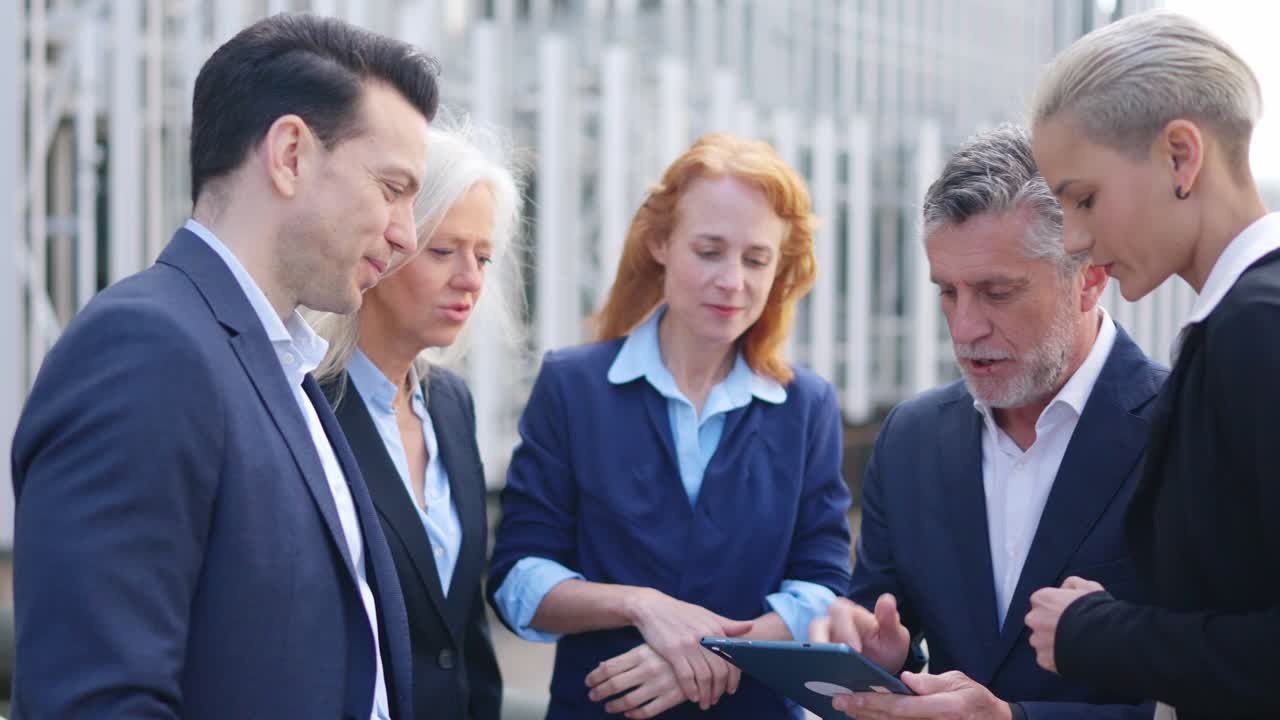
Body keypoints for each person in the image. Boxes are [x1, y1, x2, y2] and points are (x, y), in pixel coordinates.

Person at [10, 13, 438, 719]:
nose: (407, 234)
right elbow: (95, 700)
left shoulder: (284, 367)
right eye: (392, 189)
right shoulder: (146, 350)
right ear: (291, 154)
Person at [486, 133, 853, 719]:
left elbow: (824, 586)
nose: (733, 281)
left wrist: (715, 654)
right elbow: (517, 580)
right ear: (659, 243)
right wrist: (642, 606)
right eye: (709, 251)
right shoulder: (572, 385)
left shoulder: (806, 405)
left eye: (756, 259)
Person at [811, 125, 1166, 720]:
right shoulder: (910, 439)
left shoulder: (1185, 433)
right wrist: (879, 657)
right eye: (948, 292)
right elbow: (881, 628)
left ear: (1091, 278)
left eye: (996, 292)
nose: (964, 327)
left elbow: (1227, 684)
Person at [1025, 10, 1280, 719]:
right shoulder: (1243, 323)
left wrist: (1099, 634)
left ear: (1180, 156)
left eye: (1084, 199)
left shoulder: (1256, 329)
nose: (1074, 238)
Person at [309, 117, 525, 720]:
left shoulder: (450, 405)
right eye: (443, 251)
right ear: (382, 242)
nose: (471, 279)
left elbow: (462, 632)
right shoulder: (307, 405)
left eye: (483, 256)